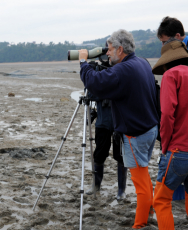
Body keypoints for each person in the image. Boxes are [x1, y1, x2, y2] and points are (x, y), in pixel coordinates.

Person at [79, 29, 159, 229]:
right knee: (144, 174)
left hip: (136, 133)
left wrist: (83, 63)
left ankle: (139, 224)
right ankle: (148, 211)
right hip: (150, 128)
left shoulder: (123, 70)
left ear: (121, 49)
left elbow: (95, 83)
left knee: (140, 183)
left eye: (110, 48)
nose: (107, 52)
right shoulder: (142, 62)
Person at [151, 40, 188, 230]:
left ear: (166, 61)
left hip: (178, 149)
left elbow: (166, 114)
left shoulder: (171, 75)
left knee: (161, 201)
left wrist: (164, 145)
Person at [86, 92, 127, 200]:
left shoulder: (120, 76)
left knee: (121, 156)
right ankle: (96, 185)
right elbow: (89, 93)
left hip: (119, 123)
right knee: (99, 154)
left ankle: (121, 190)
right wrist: (106, 94)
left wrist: (107, 94)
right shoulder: (99, 77)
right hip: (102, 123)